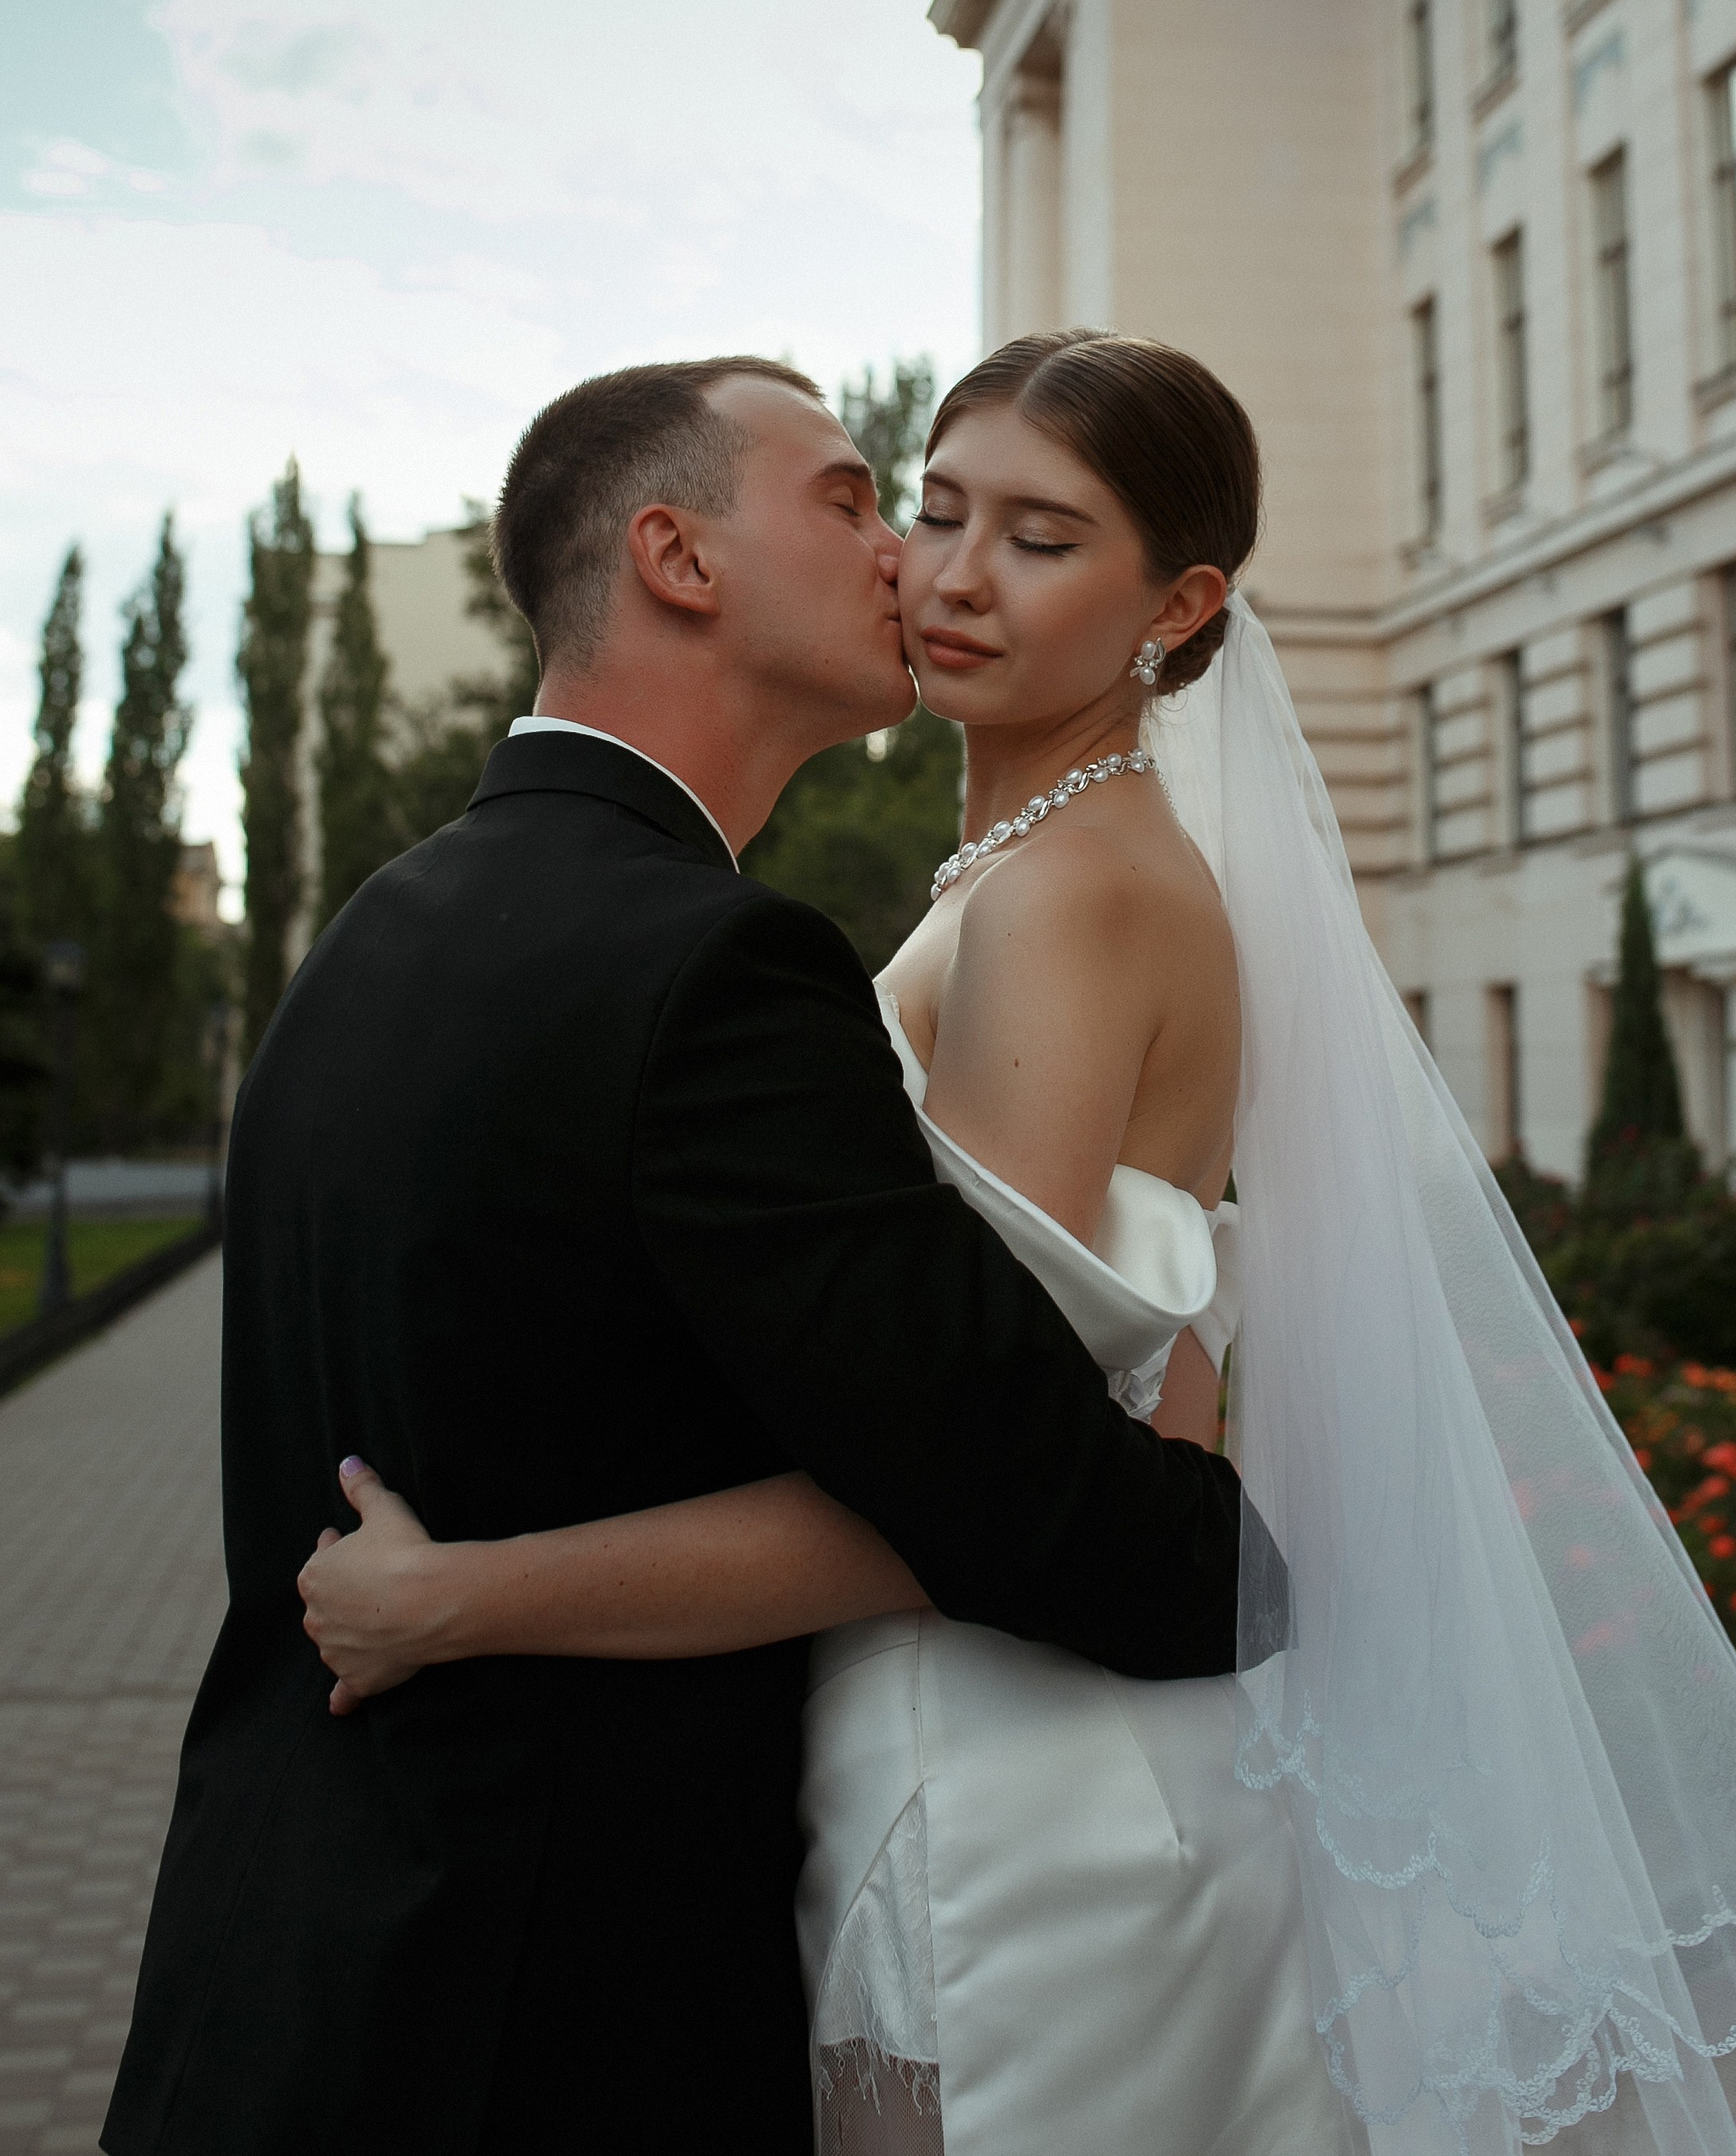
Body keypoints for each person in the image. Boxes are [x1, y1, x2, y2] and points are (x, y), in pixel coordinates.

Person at [301, 333, 1736, 2156]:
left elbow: (990, 1478)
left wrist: (464, 1600)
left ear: (1175, 608)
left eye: (1039, 539)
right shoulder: (1025, 871)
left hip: (1012, 1765)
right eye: (928, 513)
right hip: (988, 1715)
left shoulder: (1076, 896)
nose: (945, 576)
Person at [103, 356, 1244, 2156]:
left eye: (994, 528)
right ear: (677, 559)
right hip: (534, 2013)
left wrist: (453, 1597)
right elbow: (1036, 1493)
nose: (912, 564)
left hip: (281, 1975)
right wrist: (1202, 1527)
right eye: (869, 502)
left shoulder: (373, 939)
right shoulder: (707, 968)